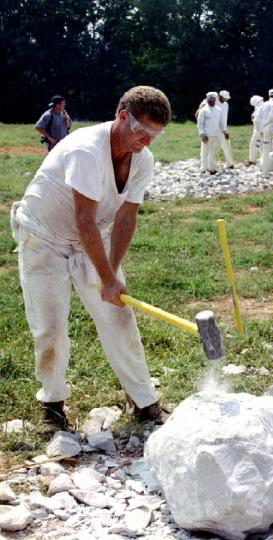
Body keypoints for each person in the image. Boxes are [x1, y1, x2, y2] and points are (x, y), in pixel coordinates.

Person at [11, 86, 171, 432]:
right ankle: (52, 404)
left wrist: (111, 275)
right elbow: (84, 218)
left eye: (155, 135)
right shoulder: (87, 150)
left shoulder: (142, 159)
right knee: (50, 327)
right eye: (142, 131)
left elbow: (127, 217)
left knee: (119, 316)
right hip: (44, 236)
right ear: (123, 116)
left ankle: (144, 401)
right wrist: (107, 279)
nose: (147, 141)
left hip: (86, 238)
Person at [197, 91, 226, 175]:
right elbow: (200, 123)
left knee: (213, 151)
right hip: (206, 135)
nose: (211, 101)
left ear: (215, 100)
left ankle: (212, 168)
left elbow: (222, 123)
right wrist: (202, 134)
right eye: (209, 99)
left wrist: (224, 131)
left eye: (213, 99)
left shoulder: (219, 110)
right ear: (207, 100)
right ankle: (203, 168)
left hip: (216, 135)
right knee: (204, 151)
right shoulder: (203, 110)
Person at [258, 89, 273, 176]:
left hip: (266, 130)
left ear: (269, 95)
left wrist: (260, 130)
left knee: (265, 151)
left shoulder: (263, 105)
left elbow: (257, 119)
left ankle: (265, 172)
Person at [217, 90, 235, 169]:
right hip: (213, 128)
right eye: (224, 98)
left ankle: (229, 163)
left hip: (223, 128)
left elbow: (224, 118)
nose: (226, 99)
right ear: (220, 96)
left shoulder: (226, 104)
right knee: (212, 146)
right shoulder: (214, 103)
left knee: (226, 145)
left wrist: (224, 130)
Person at [248, 95, 265, 165]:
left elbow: (257, 120)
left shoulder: (259, 108)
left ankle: (252, 160)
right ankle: (263, 160)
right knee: (261, 146)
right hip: (261, 130)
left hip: (258, 130)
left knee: (253, 145)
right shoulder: (262, 107)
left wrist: (260, 131)